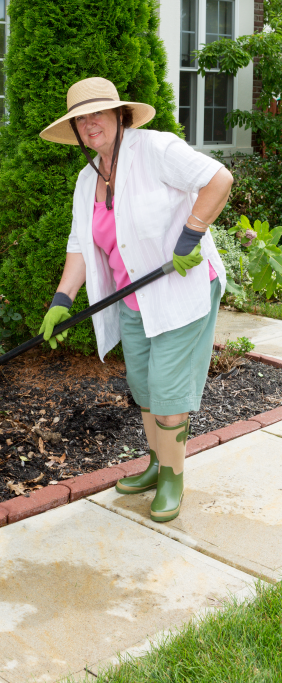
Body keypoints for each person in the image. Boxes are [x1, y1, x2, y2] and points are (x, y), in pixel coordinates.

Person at [38, 77, 233, 523]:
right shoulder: (87, 181)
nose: (90, 124)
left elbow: (219, 179)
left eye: (97, 114)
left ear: (119, 115)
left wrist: (191, 233)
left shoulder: (156, 149)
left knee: (166, 389)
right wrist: (61, 299)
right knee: (143, 386)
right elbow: (79, 245)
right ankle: (154, 463)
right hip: (132, 301)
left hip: (181, 290)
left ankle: (173, 478)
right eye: (81, 119)